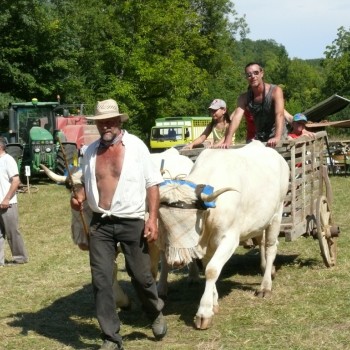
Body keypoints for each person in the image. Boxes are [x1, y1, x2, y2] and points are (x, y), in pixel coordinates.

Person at [70, 99, 167, 350]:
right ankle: (111, 337)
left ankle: (155, 312)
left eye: (111, 121)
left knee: (141, 276)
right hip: (100, 223)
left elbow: (152, 184)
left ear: (119, 122)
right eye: (102, 122)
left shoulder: (136, 147)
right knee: (101, 280)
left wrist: (152, 218)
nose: (106, 126)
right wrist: (79, 195)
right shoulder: (90, 151)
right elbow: (85, 183)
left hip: (131, 220)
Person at [222, 62, 287, 148]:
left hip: (277, 134)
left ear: (262, 73)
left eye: (256, 73)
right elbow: (236, 118)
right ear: (246, 77)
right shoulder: (243, 98)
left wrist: (277, 137)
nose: (253, 76)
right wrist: (228, 140)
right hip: (260, 137)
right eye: (249, 75)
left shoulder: (275, 91)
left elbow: (279, 114)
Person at [0, 137, 28, 266]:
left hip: (8, 204)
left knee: (12, 232)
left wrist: (6, 199)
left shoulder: (8, 160)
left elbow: (16, 181)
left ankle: (20, 258)